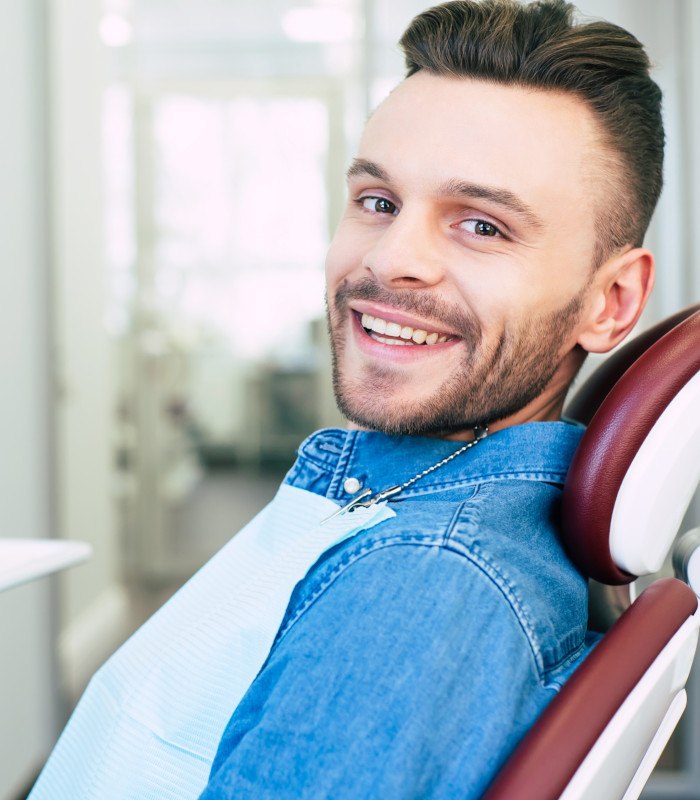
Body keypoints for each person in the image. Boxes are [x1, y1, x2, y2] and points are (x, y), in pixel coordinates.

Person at [30, 1, 663, 799]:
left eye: (481, 225)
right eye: (378, 202)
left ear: (608, 301)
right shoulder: (409, 507)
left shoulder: (422, 585)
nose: (393, 260)